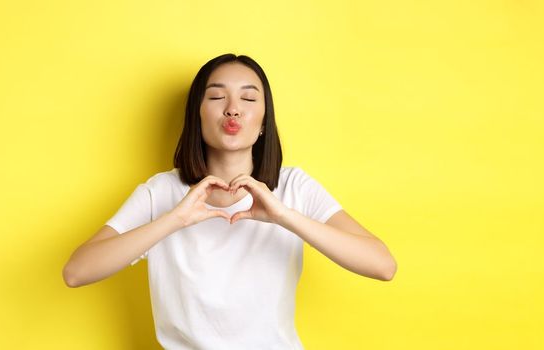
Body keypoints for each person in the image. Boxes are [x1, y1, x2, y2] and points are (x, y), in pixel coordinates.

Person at [63, 53, 396, 349]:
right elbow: (77, 271)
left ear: (264, 122)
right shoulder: (161, 192)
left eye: (249, 98)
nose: (233, 108)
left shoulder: (294, 186)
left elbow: (382, 265)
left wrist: (284, 216)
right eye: (217, 96)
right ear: (197, 115)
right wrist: (174, 219)